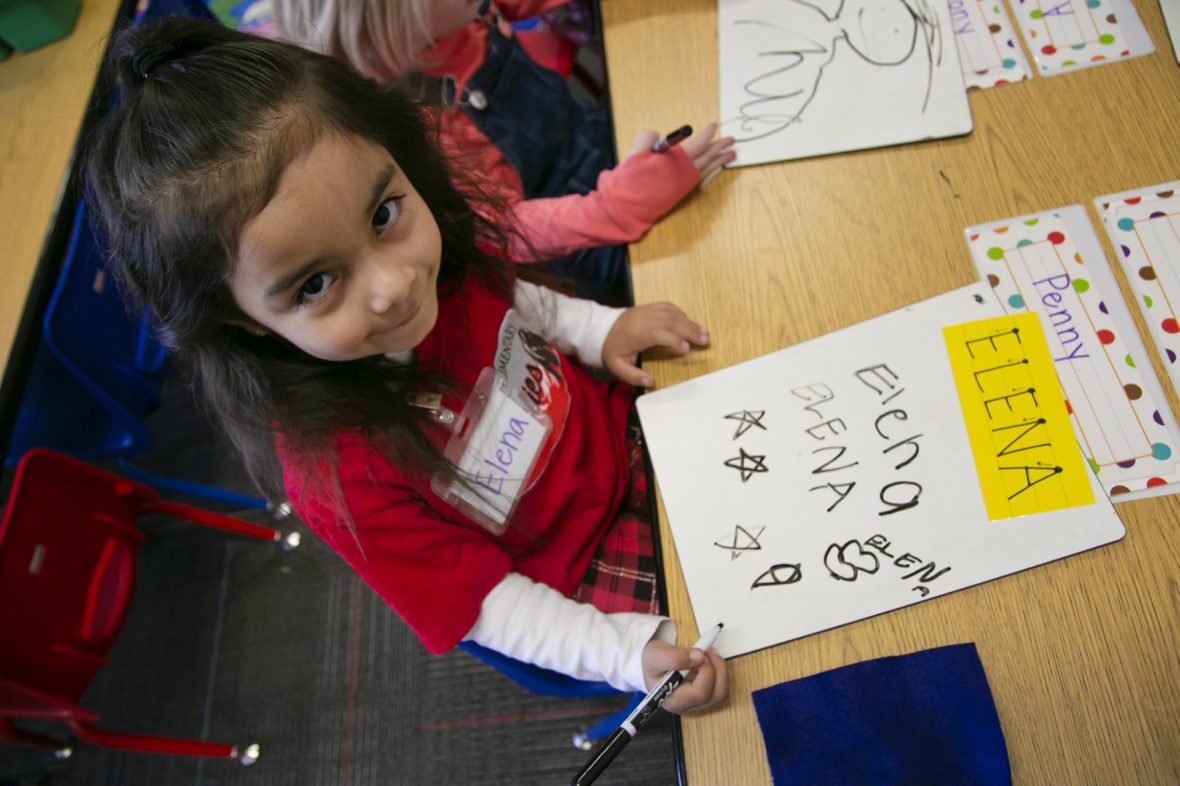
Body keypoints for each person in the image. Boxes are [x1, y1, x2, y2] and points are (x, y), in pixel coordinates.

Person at [86, 18, 727, 710]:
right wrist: (625, 655)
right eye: (313, 284)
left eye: (384, 213)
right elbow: (486, 604)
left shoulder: (435, 268)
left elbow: (519, 303)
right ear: (241, 321)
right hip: (575, 581)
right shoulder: (337, 476)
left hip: (621, 442)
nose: (393, 286)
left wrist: (601, 328)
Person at [272, 0, 735, 304]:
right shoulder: (417, 124)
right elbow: (505, 230)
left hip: (612, 151)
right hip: (584, 239)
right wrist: (619, 204)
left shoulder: (458, 13)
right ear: (396, 21)